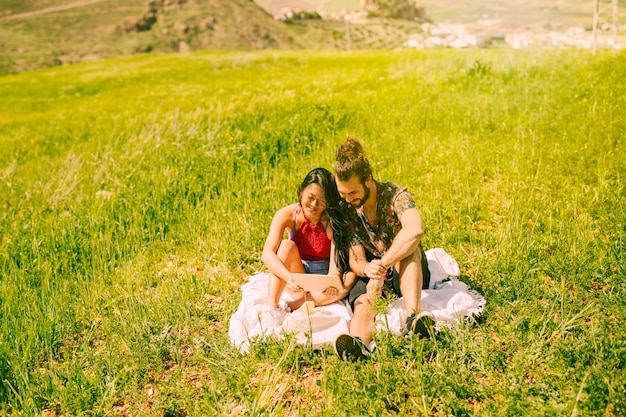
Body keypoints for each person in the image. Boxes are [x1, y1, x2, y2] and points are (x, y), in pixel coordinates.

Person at [332, 137, 433, 361]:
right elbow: (355, 257)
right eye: (343, 194)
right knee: (362, 302)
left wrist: (384, 265)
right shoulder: (349, 209)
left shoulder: (395, 195)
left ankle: (413, 320)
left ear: (368, 180)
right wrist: (368, 269)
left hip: (404, 272)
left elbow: (415, 229)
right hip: (374, 276)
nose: (348, 200)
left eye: (352, 193)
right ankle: (358, 345)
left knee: (410, 250)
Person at [260, 167, 356, 330]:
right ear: (302, 192)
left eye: (321, 200)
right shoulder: (287, 214)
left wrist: (332, 281)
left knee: (350, 279)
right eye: (310, 197)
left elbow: (335, 269)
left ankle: (293, 305)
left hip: (323, 279)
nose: (314, 204)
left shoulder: (332, 222)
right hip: (297, 276)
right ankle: (273, 307)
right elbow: (267, 254)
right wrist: (288, 276)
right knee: (285, 245)